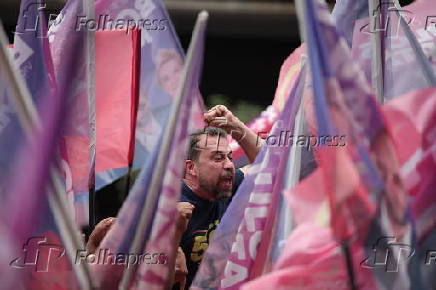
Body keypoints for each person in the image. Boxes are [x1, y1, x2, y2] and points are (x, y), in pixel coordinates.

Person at [176, 105, 261, 289]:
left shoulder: (227, 185)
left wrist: (235, 127)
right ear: (191, 168)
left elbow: (270, 163)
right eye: (218, 158)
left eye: (229, 157)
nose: (230, 165)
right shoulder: (168, 210)